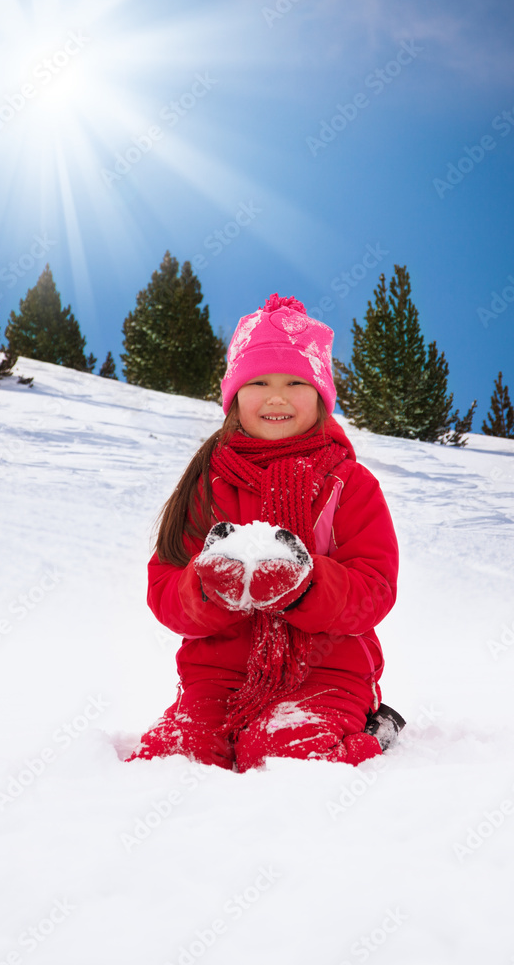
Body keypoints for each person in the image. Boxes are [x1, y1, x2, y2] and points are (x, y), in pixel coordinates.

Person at [126, 294, 400, 772]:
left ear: (321, 395)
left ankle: (373, 736)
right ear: (234, 397)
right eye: (259, 382)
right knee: (174, 758)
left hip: (327, 673)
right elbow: (165, 592)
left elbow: (374, 589)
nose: (277, 397)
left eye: (296, 381)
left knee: (286, 756)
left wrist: (305, 586)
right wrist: (208, 587)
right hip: (215, 677)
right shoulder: (207, 484)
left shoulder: (349, 484)